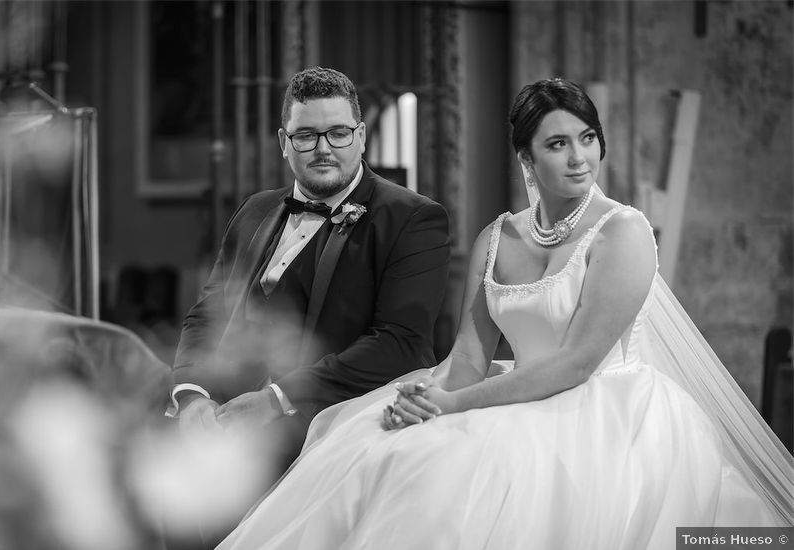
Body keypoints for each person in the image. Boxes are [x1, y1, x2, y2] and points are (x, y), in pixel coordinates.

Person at [217, 78, 794, 549]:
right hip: (506, 394)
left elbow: (576, 363)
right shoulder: (498, 235)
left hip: (609, 412)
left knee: (465, 480)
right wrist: (424, 400)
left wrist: (453, 405)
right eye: (558, 144)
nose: (579, 158)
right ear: (526, 157)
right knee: (378, 447)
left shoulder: (624, 231)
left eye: (588, 139)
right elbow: (469, 354)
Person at [165, 66, 450, 499]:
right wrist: (191, 395)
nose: (322, 149)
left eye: (337, 133)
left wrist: (276, 399)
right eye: (305, 136)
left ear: (361, 136)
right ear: (284, 143)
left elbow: (401, 343)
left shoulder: (413, 218)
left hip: (337, 434)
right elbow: (207, 315)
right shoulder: (254, 210)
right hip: (227, 432)